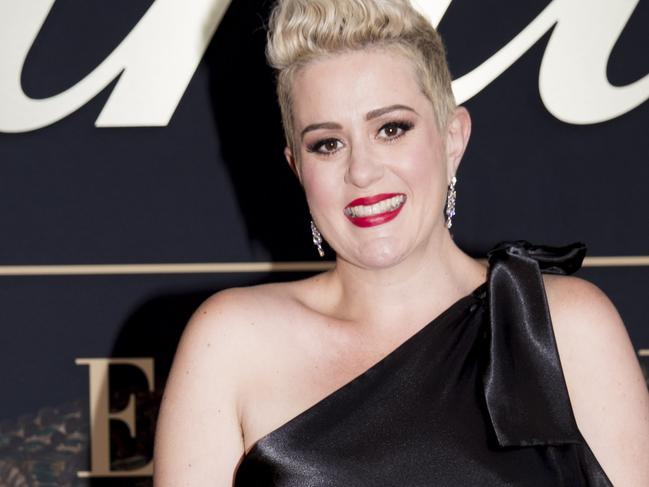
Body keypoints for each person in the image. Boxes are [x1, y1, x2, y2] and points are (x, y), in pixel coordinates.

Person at [153, 0, 649, 485]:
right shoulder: (232, 342)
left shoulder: (563, 327)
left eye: (391, 129)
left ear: (452, 138)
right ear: (296, 168)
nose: (362, 171)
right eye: (328, 143)